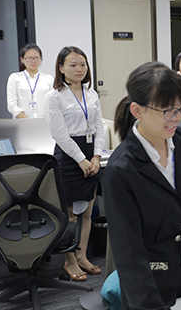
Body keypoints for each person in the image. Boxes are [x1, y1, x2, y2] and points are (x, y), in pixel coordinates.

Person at [103, 62, 181, 309]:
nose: (178, 117)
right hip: (146, 284)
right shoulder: (121, 169)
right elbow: (128, 251)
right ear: (137, 111)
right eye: (168, 111)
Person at [44, 46, 104, 282]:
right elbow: (59, 134)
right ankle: (69, 261)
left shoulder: (91, 93)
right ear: (61, 68)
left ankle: (82, 256)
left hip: (91, 153)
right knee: (69, 215)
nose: (79, 69)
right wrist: (81, 160)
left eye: (83, 64)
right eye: (73, 65)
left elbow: (99, 127)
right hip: (69, 157)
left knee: (87, 211)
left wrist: (96, 157)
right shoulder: (54, 96)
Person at [6, 43, 54, 118]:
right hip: (22, 122)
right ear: (22, 59)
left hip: (44, 122)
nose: (33, 61)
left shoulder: (49, 78)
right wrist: (28, 122)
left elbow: (53, 103)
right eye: (29, 58)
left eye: (36, 58)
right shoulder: (14, 78)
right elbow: (12, 105)